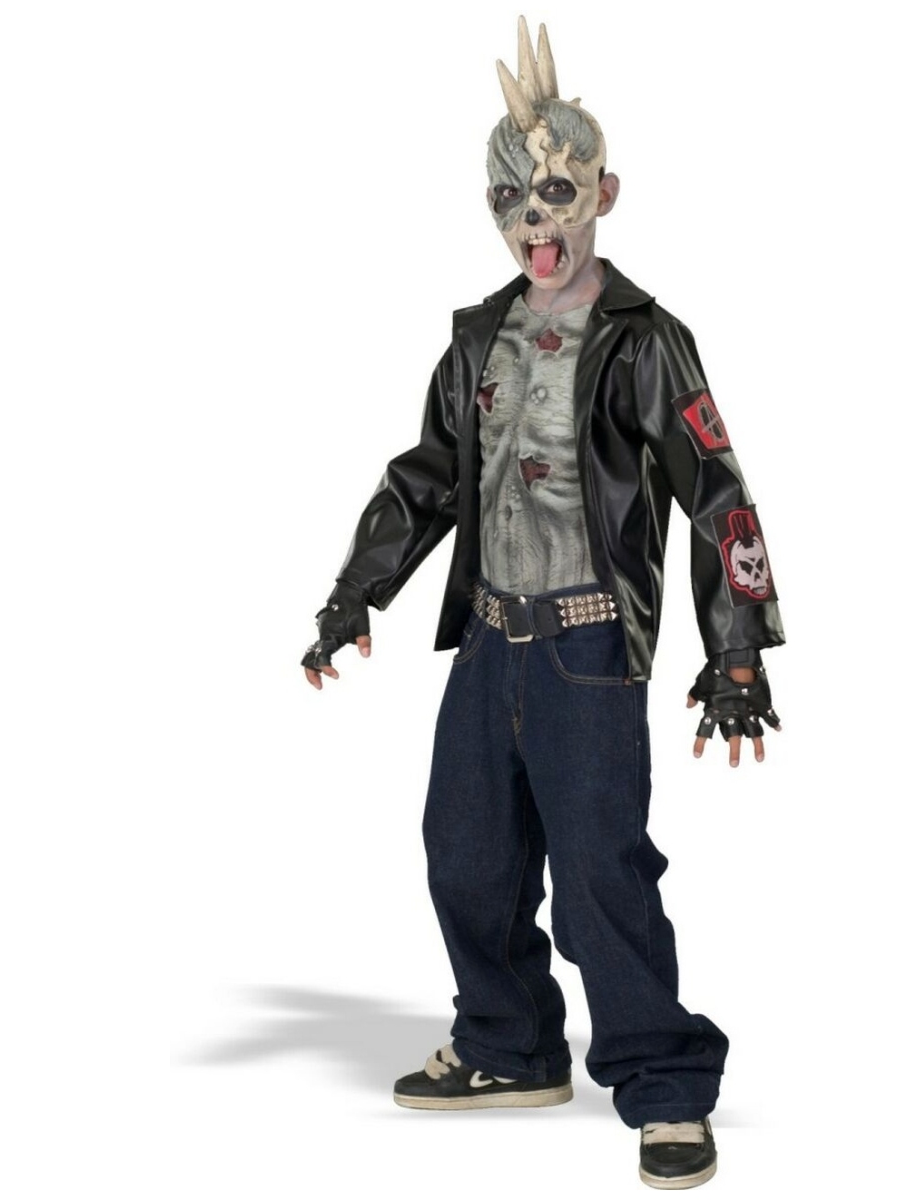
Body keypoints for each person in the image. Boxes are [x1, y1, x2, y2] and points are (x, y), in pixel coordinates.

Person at [302, 17, 784, 1190]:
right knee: (463, 855)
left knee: (602, 875)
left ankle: (664, 1088)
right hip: (489, 643)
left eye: (556, 192)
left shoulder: (644, 340)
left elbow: (717, 495)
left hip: (585, 647)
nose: (534, 218)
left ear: (602, 194)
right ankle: (508, 1045)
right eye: (511, 197)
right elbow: (428, 475)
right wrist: (356, 593)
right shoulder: (480, 338)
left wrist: (736, 654)